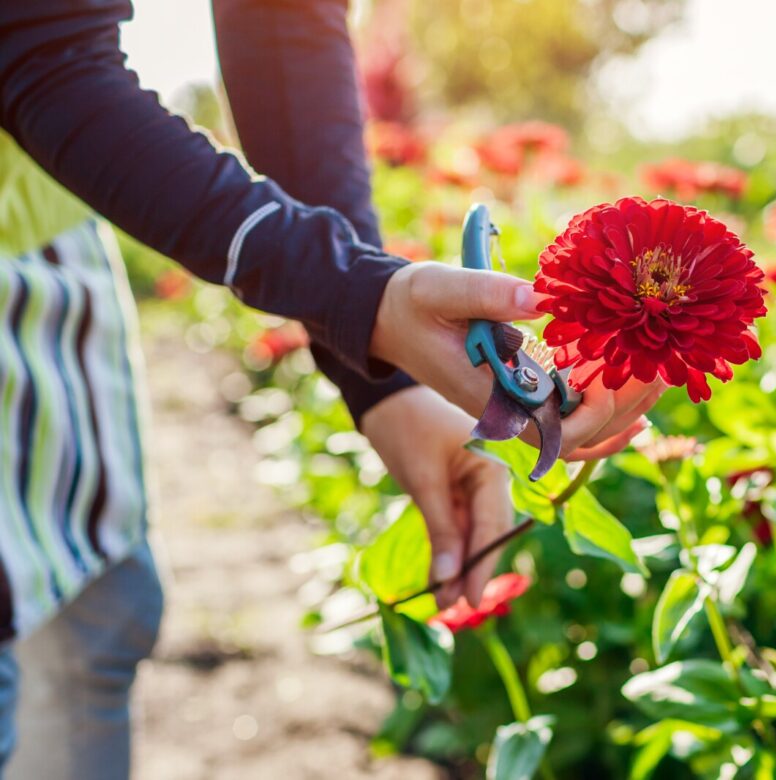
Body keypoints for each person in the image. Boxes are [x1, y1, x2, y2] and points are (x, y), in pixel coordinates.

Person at [0, 0, 666, 776]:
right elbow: (36, 48)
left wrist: (374, 369)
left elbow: (282, 19)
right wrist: (358, 297)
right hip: (49, 124)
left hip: (42, 229)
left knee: (99, 620)